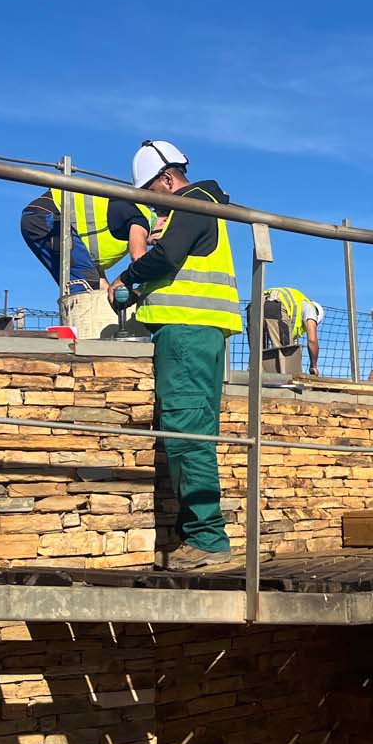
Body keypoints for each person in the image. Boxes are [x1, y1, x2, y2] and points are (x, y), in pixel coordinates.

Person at [109, 140, 241, 571]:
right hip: (199, 333)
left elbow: (165, 258)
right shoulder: (196, 206)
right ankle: (202, 536)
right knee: (195, 431)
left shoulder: (189, 203)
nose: (152, 206)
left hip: (186, 332)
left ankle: (207, 540)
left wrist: (125, 277)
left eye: (151, 192)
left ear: (167, 178)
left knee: (186, 432)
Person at [20, 185, 152, 293]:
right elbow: (139, 258)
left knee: (88, 286)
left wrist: (110, 294)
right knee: (84, 285)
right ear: (163, 222)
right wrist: (138, 290)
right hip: (50, 214)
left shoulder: (128, 220)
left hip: (41, 216)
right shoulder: (144, 218)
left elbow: (97, 278)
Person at [251, 287, 325, 375]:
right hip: (274, 307)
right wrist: (314, 366)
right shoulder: (311, 309)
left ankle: (257, 380)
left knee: (258, 355)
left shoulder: (296, 305)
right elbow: (312, 340)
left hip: (253, 306)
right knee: (286, 358)